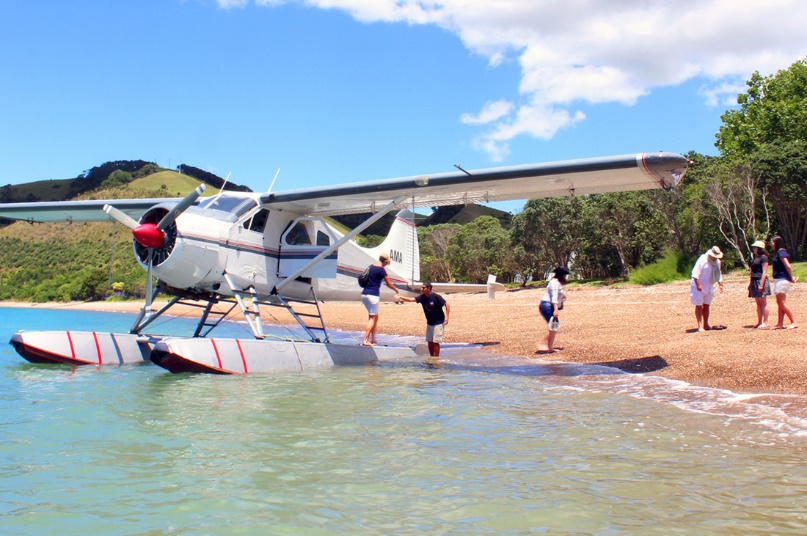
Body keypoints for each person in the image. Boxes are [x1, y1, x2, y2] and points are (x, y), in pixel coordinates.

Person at [397, 282, 450, 356]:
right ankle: (431, 357)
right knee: (430, 342)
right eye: (421, 287)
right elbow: (411, 299)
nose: (421, 289)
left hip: (439, 322)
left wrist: (447, 317)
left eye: (423, 288)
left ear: (428, 288)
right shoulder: (422, 297)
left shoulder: (436, 297)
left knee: (436, 342)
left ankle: (436, 359)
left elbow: (447, 305)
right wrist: (400, 297)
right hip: (430, 323)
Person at [361, 253, 400, 346]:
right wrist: (396, 289)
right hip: (373, 295)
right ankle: (365, 340)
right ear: (385, 261)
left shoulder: (371, 266)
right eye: (387, 263)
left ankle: (373, 338)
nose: (387, 264)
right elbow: (388, 283)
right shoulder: (381, 270)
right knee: (372, 318)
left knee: (375, 316)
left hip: (364, 295)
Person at [535, 266, 569, 354]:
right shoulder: (554, 283)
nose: (565, 277)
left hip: (549, 305)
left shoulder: (557, 282)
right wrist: (556, 310)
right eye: (565, 275)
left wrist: (563, 296)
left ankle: (548, 346)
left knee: (554, 326)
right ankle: (543, 344)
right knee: (553, 326)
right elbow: (553, 297)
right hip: (547, 305)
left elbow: (557, 295)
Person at [690, 246, 725, 331]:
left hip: (709, 285)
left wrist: (720, 284)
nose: (715, 258)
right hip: (699, 285)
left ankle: (706, 324)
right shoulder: (703, 260)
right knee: (699, 305)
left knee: (706, 305)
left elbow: (718, 273)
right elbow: (695, 273)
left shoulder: (717, 262)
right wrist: (698, 285)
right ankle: (700, 325)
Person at [770, 235, 798, 330]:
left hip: (782, 279)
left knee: (781, 302)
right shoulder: (778, 252)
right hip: (779, 279)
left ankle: (793, 322)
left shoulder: (781, 252)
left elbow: (788, 266)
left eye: (772, 242)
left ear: (776, 242)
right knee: (780, 302)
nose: (771, 244)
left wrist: (791, 277)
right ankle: (780, 323)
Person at [748, 240, 771, 329]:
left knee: (763, 302)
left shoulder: (764, 258)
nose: (753, 249)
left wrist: (761, 284)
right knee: (758, 303)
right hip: (754, 280)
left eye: (755, 247)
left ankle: (766, 322)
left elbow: (764, 272)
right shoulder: (755, 258)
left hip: (760, 280)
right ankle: (759, 321)